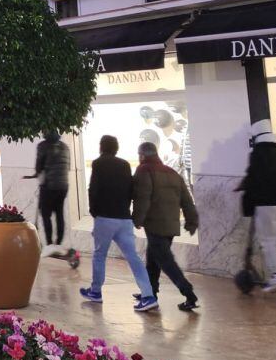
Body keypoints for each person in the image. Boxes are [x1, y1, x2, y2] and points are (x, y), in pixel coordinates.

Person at [79, 135, 158, 311]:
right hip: (124, 218)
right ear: (116, 148)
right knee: (133, 257)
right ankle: (148, 295)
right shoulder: (124, 164)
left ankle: (96, 291)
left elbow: (94, 188)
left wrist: (94, 211)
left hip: (105, 218)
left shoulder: (98, 163)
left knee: (100, 255)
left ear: (101, 147)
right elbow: (131, 188)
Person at [133, 141, 199, 311]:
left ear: (142, 155)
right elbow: (187, 200)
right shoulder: (172, 173)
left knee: (166, 262)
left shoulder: (144, 170)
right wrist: (192, 221)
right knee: (153, 260)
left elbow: (143, 197)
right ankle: (150, 293)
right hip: (171, 225)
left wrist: (137, 219)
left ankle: (189, 294)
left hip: (155, 224)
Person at [239, 119, 276, 291]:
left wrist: (247, 206)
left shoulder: (257, 156)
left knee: (269, 240)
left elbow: (253, 181)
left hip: (266, 206)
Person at [26, 131, 70, 256]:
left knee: (46, 214)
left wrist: (38, 173)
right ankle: (59, 242)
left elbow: (39, 166)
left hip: (49, 185)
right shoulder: (65, 147)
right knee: (59, 213)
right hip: (63, 186)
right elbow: (68, 167)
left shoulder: (43, 146)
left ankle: (50, 244)